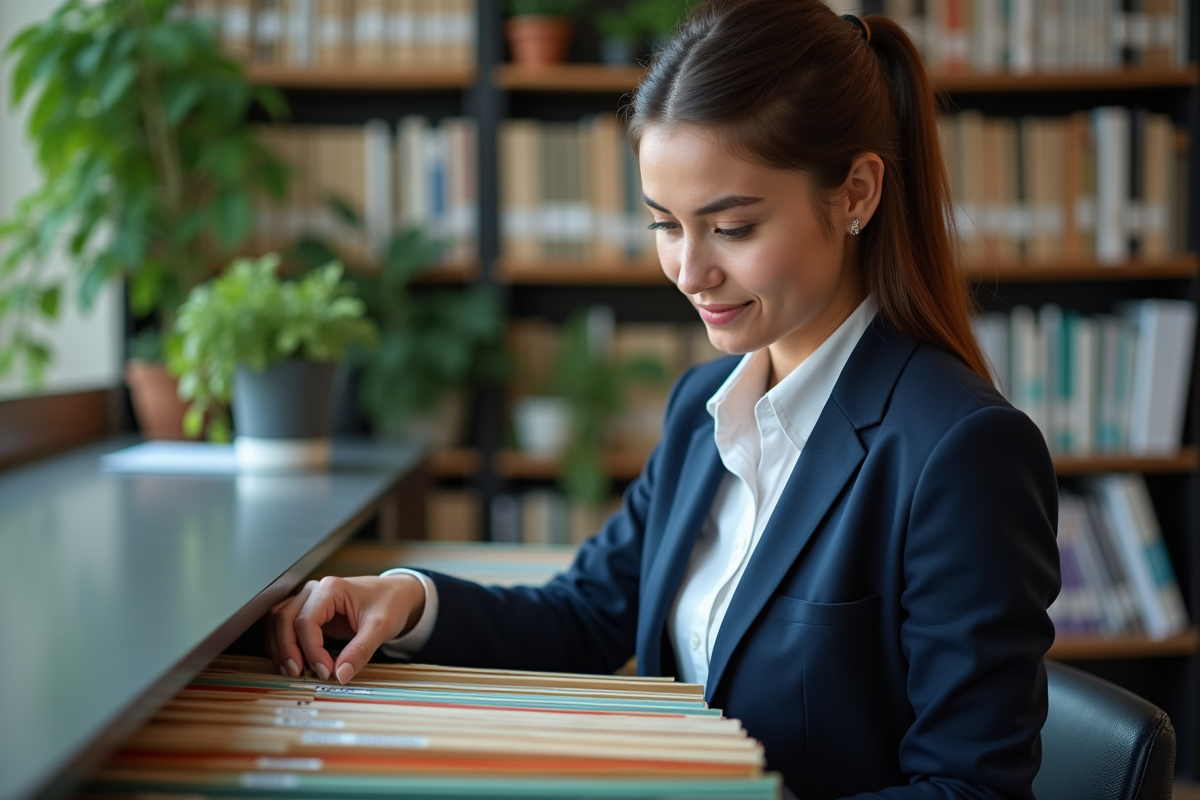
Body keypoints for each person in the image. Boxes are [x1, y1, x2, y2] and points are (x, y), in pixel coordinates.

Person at [266, 1, 1061, 797]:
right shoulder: (703, 406)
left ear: (856, 192)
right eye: (665, 224)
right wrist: (408, 601)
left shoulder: (961, 452)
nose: (689, 271)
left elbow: (970, 789)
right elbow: (588, 614)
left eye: (733, 228)